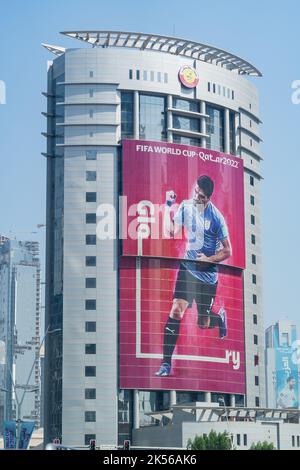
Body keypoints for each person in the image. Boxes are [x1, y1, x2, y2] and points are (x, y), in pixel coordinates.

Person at [155, 175, 232, 377]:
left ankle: (219, 317)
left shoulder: (217, 218)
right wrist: (167, 206)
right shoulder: (186, 207)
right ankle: (165, 364)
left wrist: (208, 259)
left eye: (202, 197)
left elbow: (227, 251)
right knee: (176, 311)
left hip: (207, 276)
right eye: (196, 192)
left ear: (209, 198)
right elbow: (171, 231)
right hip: (188, 269)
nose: (198, 198)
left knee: (203, 323)